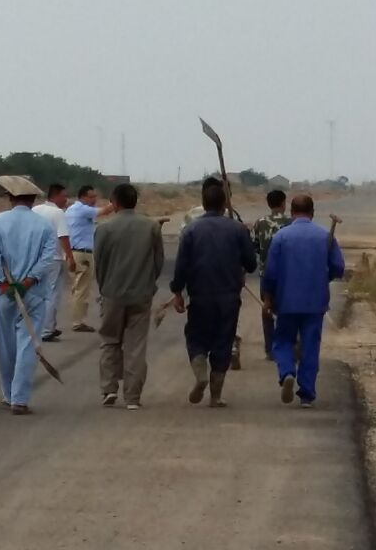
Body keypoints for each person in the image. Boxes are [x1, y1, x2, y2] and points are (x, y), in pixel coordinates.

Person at [170, 176, 257, 407]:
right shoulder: (237, 229)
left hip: (200, 295)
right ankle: (216, 395)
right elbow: (251, 264)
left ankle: (200, 373)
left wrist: (177, 291)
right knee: (223, 341)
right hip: (229, 296)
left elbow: (181, 266)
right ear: (224, 204)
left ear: (203, 203)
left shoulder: (190, 230)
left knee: (196, 337)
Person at [261, 195, 345, 408]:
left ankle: (287, 372)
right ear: (312, 212)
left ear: (291, 212)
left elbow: (270, 273)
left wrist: (268, 298)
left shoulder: (281, 237)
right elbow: (338, 268)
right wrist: (324, 275)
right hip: (315, 301)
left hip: (286, 301)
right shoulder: (324, 236)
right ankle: (306, 393)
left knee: (282, 340)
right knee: (310, 346)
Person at [0, 180, 58, 415]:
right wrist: (28, 281)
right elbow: (47, 259)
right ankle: (19, 399)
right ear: (33, 199)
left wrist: (2, 282)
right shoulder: (44, 226)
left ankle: (9, 394)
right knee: (28, 344)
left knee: (6, 345)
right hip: (33, 292)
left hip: (4, 292)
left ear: (10, 197)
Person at [93, 183, 165, 410]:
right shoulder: (151, 226)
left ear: (114, 203)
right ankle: (133, 397)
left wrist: (104, 288)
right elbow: (158, 261)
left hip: (112, 293)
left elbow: (99, 263)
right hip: (141, 294)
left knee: (109, 341)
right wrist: (148, 283)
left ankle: (109, 389)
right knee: (136, 346)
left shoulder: (104, 228)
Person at [64, 185, 116, 333]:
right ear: (82, 197)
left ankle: (77, 319)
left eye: (95, 197)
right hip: (82, 253)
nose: (94, 200)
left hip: (74, 252)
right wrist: (117, 201)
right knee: (82, 289)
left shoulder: (72, 209)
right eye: (91, 197)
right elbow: (105, 211)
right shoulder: (82, 209)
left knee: (77, 288)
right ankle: (78, 321)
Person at [251, 189, 292, 360]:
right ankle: (287, 345)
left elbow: (254, 246)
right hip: (288, 275)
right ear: (283, 203)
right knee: (288, 311)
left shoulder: (259, 223)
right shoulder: (291, 223)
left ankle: (270, 348)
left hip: (266, 274)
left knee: (267, 309)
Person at [33, 182, 75, 342]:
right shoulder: (58, 213)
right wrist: (70, 257)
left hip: (37, 257)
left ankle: (41, 326)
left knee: (38, 294)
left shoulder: (35, 210)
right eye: (64, 196)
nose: (66, 199)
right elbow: (63, 236)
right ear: (56, 196)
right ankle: (47, 329)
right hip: (54, 258)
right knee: (52, 294)